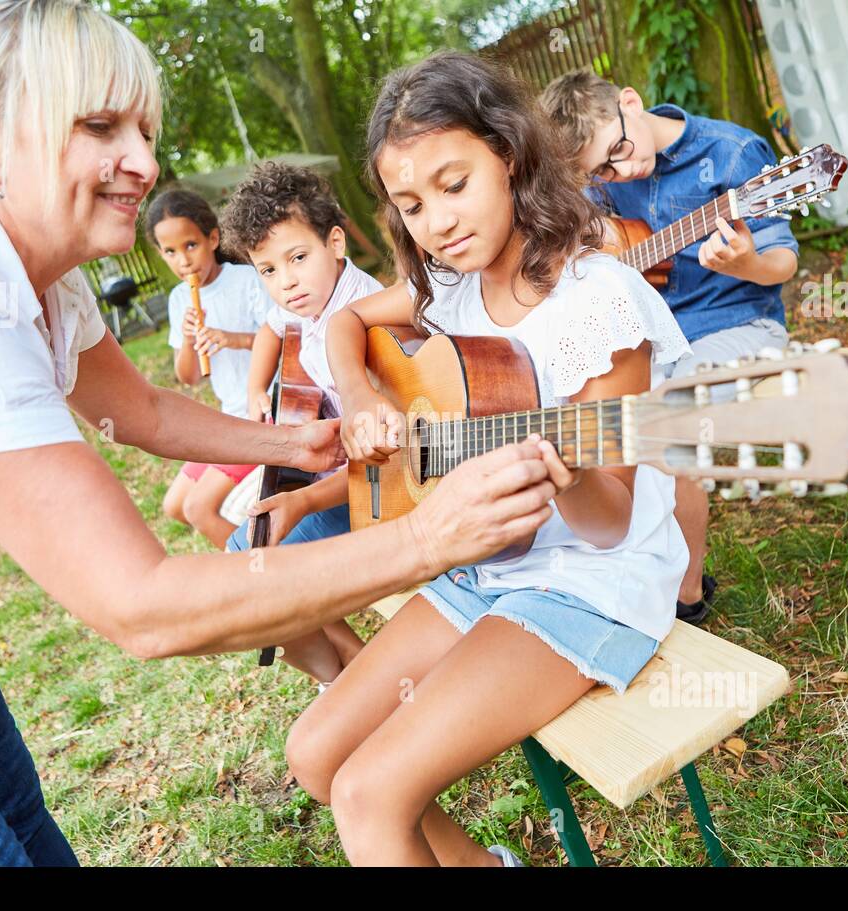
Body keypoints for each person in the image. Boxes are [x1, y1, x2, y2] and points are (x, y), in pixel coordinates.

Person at [0, 0, 558, 867]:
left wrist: (290, 448)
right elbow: (140, 607)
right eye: (101, 126)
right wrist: (426, 536)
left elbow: (136, 411)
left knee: (27, 838)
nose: (143, 161)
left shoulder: (38, 266)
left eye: (144, 127)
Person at [286, 50, 693, 867]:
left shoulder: (597, 306)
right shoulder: (451, 285)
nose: (434, 220)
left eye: (452, 183)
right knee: (318, 756)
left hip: (586, 582)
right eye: (410, 203)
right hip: (485, 560)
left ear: (507, 155)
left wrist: (564, 473)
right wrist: (365, 401)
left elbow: (610, 521)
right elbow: (343, 323)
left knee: (371, 792)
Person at [540, 69, 801, 626]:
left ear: (630, 102)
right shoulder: (595, 181)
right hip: (652, 337)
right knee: (578, 417)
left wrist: (746, 263)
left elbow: (783, 261)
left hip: (738, 324)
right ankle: (604, 568)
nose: (621, 171)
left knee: (662, 418)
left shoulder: (730, 154)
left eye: (620, 150)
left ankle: (686, 593)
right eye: (602, 170)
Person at [214, 161, 386, 684]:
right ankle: (347, 673)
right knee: (248, 555)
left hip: (384, 490)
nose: (286, 282)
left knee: (248, 560)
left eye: (297, 258)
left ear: (336, 242)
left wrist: (305, 498)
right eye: (267, 270)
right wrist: (253, 392)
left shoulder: (368, 317)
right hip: (343, 474)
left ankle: (350, 679)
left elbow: (391, 458)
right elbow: (272, 329)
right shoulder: (309, 301)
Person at [147, 186, 270, 548]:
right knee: (174, 506)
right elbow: (188, 377)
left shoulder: (246, 281)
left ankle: (260, 575)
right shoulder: (178, 298)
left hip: (262, 413)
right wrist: (188, 337)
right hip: (227, 417)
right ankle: (253, 546)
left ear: (213, 238)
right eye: (170, 252)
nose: (183, 261)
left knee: (199, 508)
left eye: (190, 245)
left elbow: (280, 340)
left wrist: (233, 338)